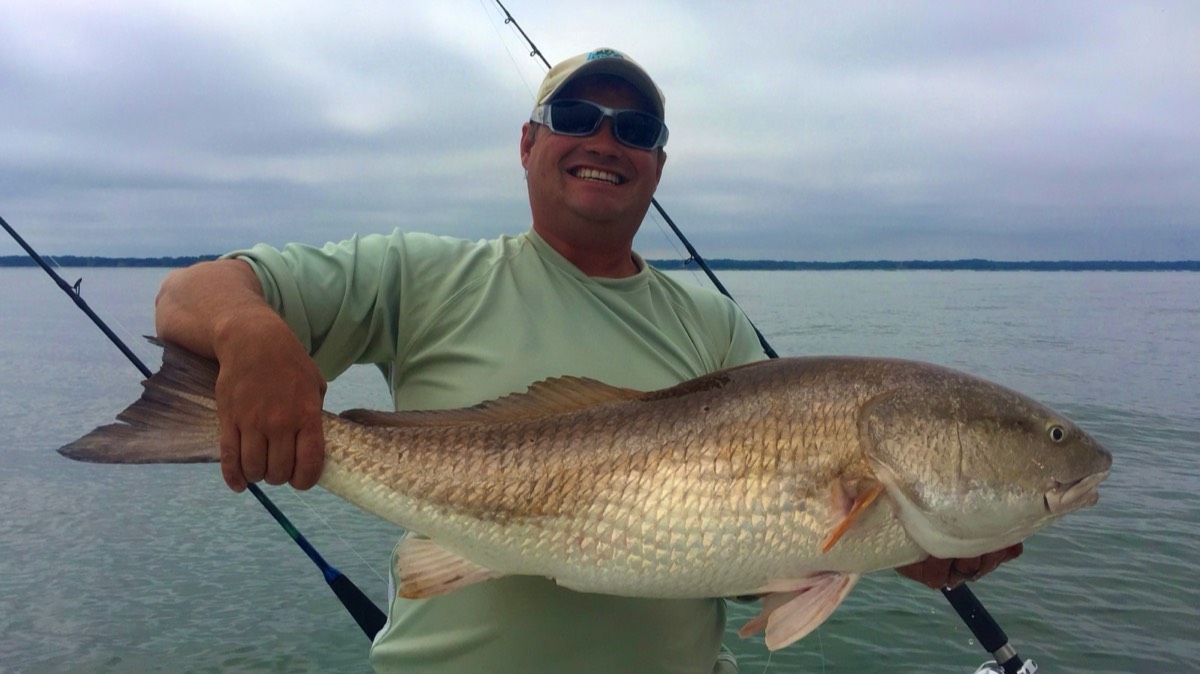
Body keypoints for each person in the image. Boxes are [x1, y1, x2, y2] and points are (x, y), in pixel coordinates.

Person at [155, 48, 1020, 674]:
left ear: (657, 165)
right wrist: (251, 335)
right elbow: (193, 294)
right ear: (528, 145)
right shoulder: (421, 275)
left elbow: (760, 537)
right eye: (576, 119)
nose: (606, 140)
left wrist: (898, 543)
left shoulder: (712, 323)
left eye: (635, 129)